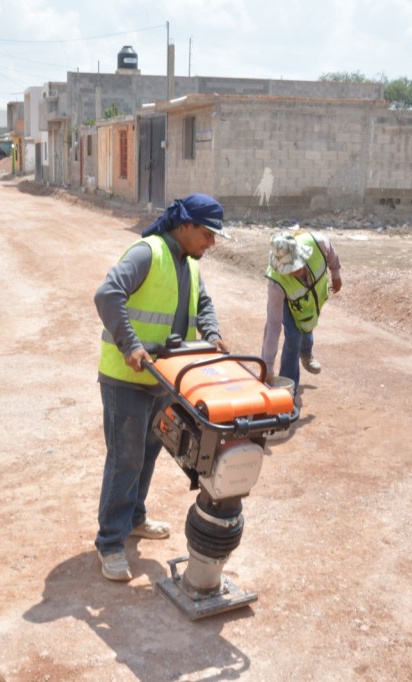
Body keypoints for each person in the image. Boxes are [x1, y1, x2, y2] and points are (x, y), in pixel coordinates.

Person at [93, 193, 231, 582]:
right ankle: (110, 543)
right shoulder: (147, 252)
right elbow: (107, 295)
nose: (211, 243)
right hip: (127, 379)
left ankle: (134, 517)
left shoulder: (190, 262)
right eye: (206, 234)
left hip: (165, 377)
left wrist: (213, 333)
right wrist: (131, 346)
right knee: (126, 458)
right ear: (184, 226)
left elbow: (202, 303)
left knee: (150, 451)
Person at [260, 228, 342, 406]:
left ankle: (306, 352)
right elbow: (273, 327)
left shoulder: (317, 243)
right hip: (289, 303)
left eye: (297, 265)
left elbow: (332, 252)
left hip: (311, 301)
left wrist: (336, 273)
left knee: (307, 323)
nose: (295, 270)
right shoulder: (276, 284)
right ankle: (288, 394)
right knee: (294, 338)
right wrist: (267, 367)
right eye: (290, 269)